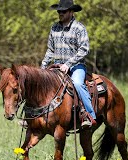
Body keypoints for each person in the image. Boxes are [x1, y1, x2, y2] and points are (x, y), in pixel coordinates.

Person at [41, 0, 96, 128]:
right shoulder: (54, 27)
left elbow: (84, 49)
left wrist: (68, 64)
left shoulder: (79, 28)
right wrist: (43, 67)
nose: (60, 13)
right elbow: (50, 50)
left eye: (63, 11)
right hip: (57, 67)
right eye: (59, 11)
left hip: (76, 66)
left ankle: (88, 115)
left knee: (77, 83)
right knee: (41, 84)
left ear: (71, 12)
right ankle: (37, 118)